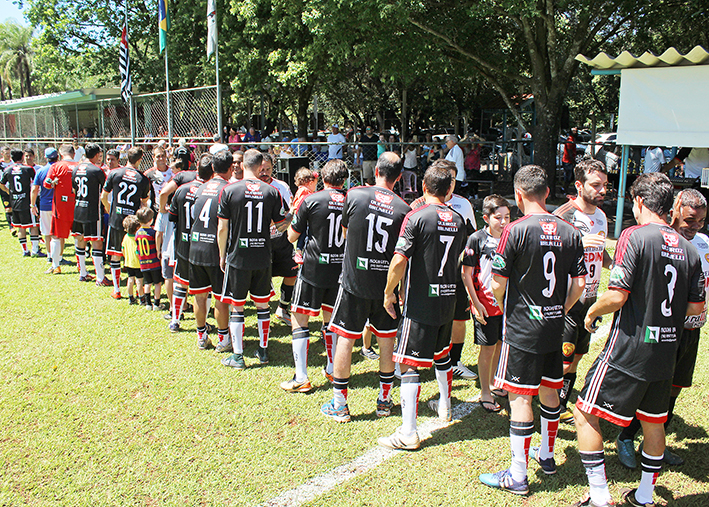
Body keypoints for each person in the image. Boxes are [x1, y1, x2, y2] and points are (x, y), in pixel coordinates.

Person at [573, 172, 704, 507]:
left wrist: (591, 312)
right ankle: (644, 495)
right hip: (666, 351)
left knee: (586, 413)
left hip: (629, 348)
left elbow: (617, 295)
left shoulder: (634, 235)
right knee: (654, 421)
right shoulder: (690, 250)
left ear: (641, 202)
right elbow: (695, 308)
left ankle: (600, 495)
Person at [479, 165, 586, 495]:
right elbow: (580, 282)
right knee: (550, 389)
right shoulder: (570, 231)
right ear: (547, 192)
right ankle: (548, 455)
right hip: (554, 327)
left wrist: (506, 305)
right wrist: (561, 310)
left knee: (520, 396)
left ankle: (518, 474)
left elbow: (498, 282)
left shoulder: (515, 230)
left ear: (519, 195)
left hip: (523, 328)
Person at [614, 188, 709, 470]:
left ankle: (655, 443)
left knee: (674, 389)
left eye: (701, 221)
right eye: (690, 219)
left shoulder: (701, 244)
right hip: (658, 330)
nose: (695, 227)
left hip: (691, 330)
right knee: (648, 387)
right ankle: (625, 437)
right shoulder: (659, 240)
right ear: (675, 209)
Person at [377, 163, 467, 450]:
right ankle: (445, 406)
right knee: (442, 355)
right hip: (448, 298)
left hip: (420, 303)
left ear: (423, 188)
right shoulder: (458, 218)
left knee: (409, 363)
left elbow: (400, 260)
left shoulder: (416, 217)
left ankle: (408, 432)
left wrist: (389, 292)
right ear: (450, 190)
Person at [320, 152, 410, 423]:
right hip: (386, 288)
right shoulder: (403, 208)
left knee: (346, 337)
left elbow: (346, 231)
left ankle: (340, 404)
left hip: (354, 282)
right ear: (399, 177)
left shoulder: (356, 195)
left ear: (375, 171)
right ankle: (384, 401)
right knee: (386, 339)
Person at [280, 159, 349, 392]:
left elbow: (291, 236)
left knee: (299, 318)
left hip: (313, 268)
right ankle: (331, 368)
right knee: (330, 321)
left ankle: (301, 377)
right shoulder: (351, 200)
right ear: (344, 180)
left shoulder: (311, 200)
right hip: (339, 269)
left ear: (322, 178)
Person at [552, 159, 612, 424]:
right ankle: (548, 404)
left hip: (589, 300)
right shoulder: (564, 215)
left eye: (605, 185)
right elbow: (545, 251)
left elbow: (601, 250)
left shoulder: (600, 216)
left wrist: (615, 263)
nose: (602, 191)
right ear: (579, 185)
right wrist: (578, 243)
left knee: (577, 356)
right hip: (566, 298)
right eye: (596, 185)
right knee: (562, 359)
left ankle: (560, 402)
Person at [217, 149, 288, 370]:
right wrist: (290, 218)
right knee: (262, 304)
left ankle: (238, 356)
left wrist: (222, 255)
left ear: (242, 165)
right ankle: (263, 350)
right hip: (262, 256)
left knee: (237, 307)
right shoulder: (271, 191)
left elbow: (222, 227)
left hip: (238, 255)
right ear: (260, 167)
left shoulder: (230, 189)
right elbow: (280, 225)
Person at [462, 195, 511, 413]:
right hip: (485, 304)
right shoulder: (476, 239)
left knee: (501, 344)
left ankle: (493, 382)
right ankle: (484, 392)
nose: (503, 222)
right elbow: (466, 273)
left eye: (507, 217)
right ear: (486, 218)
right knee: (488, 348)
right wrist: (475, 302)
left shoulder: (511, 237)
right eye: (498, 217)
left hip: (507, 304)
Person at [188, 150, 233, 351]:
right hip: (216, 250)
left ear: (212, 168)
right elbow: (224, 226)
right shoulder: (228, 190)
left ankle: (201, 336)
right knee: (220, 297)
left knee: (199, 295)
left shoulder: (199, 188)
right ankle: (223, 339)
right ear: (232, 169)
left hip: (196, 247)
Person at [167, 154, 211, 333]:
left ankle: (175, 321)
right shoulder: (210, 191)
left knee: (181, 283)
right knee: (204, 288)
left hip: (183, 244)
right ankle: (204, 321)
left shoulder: (182, 189)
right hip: (203, 245)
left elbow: (172, 217)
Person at [101, 147, 150, 299]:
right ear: (140, 159)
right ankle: (138, 289)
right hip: (134, 223)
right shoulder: (142, 178)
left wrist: (110, 210)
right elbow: (144, 203)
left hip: (116, 220)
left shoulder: (115, 173)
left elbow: (104, 196)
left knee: (115, 255)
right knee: (137, 255)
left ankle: (117, 290)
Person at [258, 154, 297, 327]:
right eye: (262, 169)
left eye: (268, 169)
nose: (264, 173)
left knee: (292, 273)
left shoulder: (281, 186)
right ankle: (263, 313)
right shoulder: (252, 186)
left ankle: (282, 308)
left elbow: (291, 210)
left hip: (280, 239)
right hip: (259, 242)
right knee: (261, 277)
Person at [71, 143, 108, 284]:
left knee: (80, 240)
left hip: (78, 208)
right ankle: (100, 277)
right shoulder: (97, 171)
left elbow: (74, 190)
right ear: (97, 154)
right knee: (96, 242)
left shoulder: (75, 169)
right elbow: (105, 191)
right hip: (93, 210)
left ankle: (83, 273)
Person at [44, 144, 78, 274]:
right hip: (77, 205)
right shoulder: (79, 165)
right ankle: (81, 266)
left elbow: (47, 184)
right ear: (73, 154)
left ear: (60, 154)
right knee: (79, 236)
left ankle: (55, 265)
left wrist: (54, 183)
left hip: (61, 207)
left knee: (56, 237)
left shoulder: (56, 166)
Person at [0, 148, 40, 256]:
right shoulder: (28, 169)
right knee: (33, 226)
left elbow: (1, 184)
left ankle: (25, 251)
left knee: (21, 227)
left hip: (15, 202)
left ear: (12, 158)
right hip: (27, 202)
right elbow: (35, 183)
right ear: (22, 157)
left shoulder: (7, 170)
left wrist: (9, 192)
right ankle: (35, 250)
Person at [30, 147, 58, 259]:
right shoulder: (59, 169)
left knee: (47, 232)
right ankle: (58, 257)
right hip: (58, 204)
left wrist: (32, 204)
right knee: (57, 233)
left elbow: (34, 189)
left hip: (45, 204)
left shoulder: (40, 171)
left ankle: (50, 255)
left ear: (45, 158)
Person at [136, 207, 164, 309]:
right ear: (151, 220)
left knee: (147, 283)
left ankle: (148, 303)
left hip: (143, 263)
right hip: (154, 262)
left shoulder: (137, 233)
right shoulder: (152, 232)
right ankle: (156, 303)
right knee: (157, 283)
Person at [291, 167, 318, 264]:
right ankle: (298, 252)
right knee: (303, 234)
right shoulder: (305, 191)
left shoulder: (302, 190)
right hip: (301, 218)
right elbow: (302, 204)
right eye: (315, 184)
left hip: (301, 217)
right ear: (310, 183)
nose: (315, 187)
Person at [121, 214, 144, 305]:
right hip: (138, 263)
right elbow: (138, 251)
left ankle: (131, 297)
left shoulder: (125, 237)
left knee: (130, 280)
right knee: (139, 281)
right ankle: (142, 298)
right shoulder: (137, 238)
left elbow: (123, 248)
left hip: (128, 262)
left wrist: (126, 257)